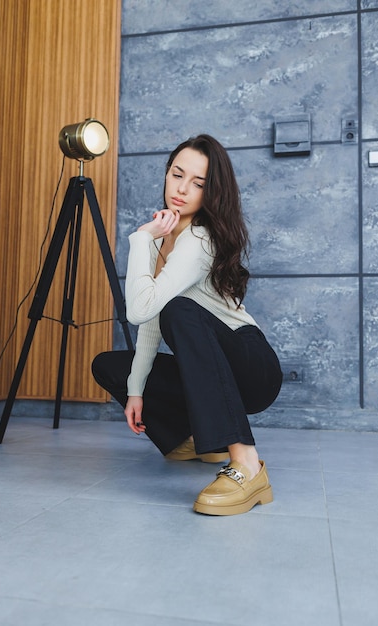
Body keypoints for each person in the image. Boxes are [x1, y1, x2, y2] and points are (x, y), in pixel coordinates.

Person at [92, 134, 282, 516]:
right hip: (216, 365)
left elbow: (142, 307)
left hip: (252, 365)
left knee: (178, 309)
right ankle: (198, 441)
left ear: (211, 193)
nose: (182, 189)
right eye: (177, 175)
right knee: (110, 366)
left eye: (198, 183)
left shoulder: (198, 237)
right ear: (166, 174)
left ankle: (247, 464)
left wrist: (142, 238)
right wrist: (135, 392)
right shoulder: (171, 235)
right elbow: (150, 318)